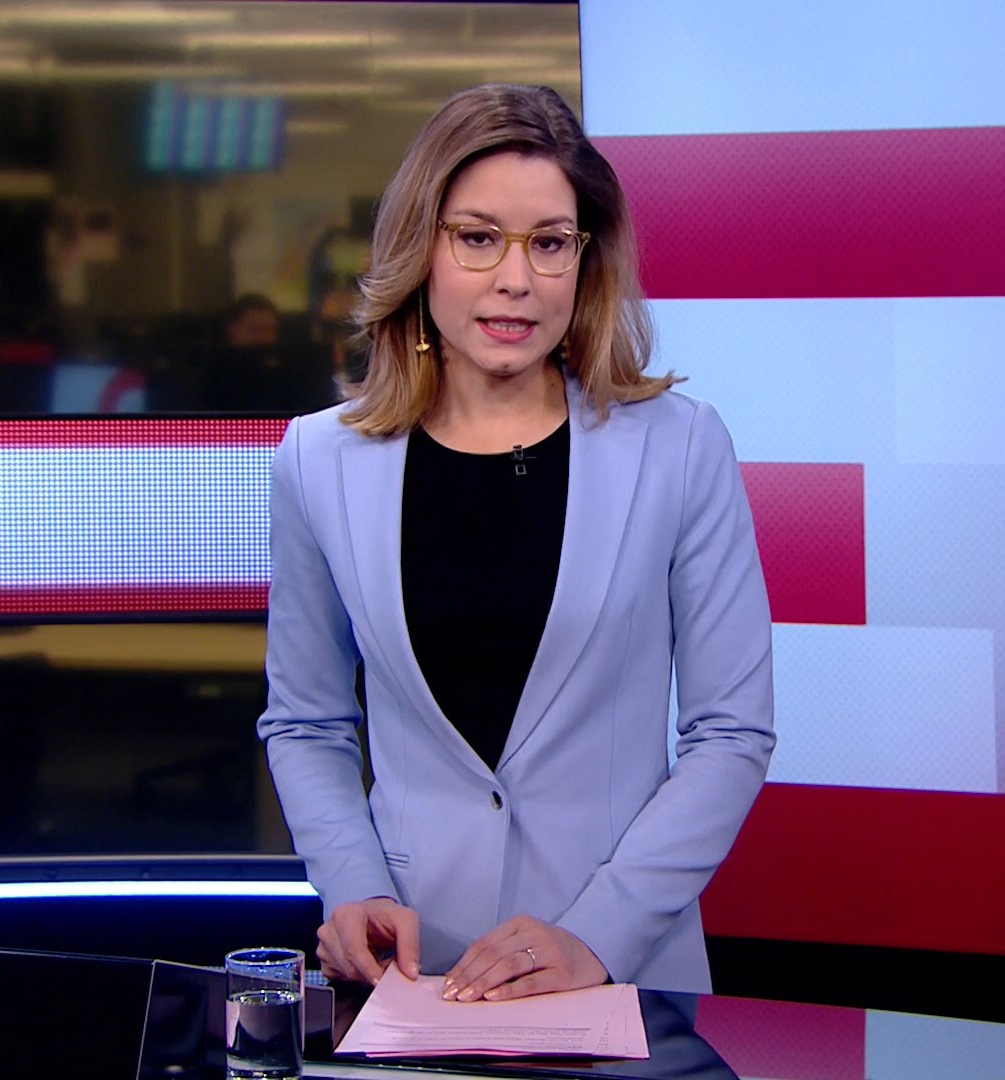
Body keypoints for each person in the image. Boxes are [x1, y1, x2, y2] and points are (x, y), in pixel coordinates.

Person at [257, 83, 774, 1003]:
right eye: (478, 237)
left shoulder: (680, 447)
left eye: (549, 243)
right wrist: (352, 886)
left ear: (585, 258)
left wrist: (596, 935)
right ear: (421, 248)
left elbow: (730, 731)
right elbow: (307, 721)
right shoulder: (318, 459)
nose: (516, 278)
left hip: (617, 970)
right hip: (416, 970)